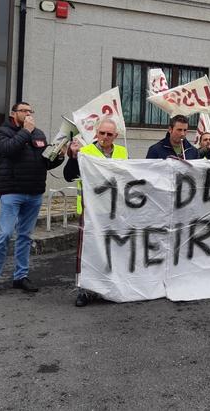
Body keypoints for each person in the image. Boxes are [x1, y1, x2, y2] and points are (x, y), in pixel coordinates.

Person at [0, 102, 65, 296]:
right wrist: (26, 131)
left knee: (25, 236)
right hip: (12, 192)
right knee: (4, 234)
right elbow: (9, 150)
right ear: (14, 114)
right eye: (24, 111)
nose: (28, 114)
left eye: (30, 111)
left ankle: (20, 276)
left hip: (34, 192)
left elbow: (45, 162)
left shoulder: (38, 134)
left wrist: (59, 156)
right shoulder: (1, 132)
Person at [63, 117, 128, 307]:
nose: (105, 137)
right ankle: (84, 290)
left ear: (115, 136)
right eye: (102, 133)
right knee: (88, 252)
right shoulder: (86, 151)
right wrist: (74, 157)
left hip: (114, 210)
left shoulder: (122, 152)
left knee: (112, 250)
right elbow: (69, 176)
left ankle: (109, 287)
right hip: (90, 211)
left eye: (109, 134)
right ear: (96, 133)